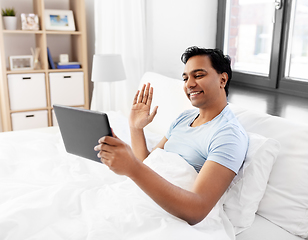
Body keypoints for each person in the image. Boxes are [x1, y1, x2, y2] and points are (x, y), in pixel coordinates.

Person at [94, 46, 248, 225]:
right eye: (185, 78)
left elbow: (196, 210)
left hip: (168, 216)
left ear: (222, 79)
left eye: (198, 75)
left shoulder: (228, 135)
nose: (189, 84)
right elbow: (149, 164)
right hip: (144, 198)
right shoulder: (184, 117)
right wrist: (135, 128)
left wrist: (132, 167)